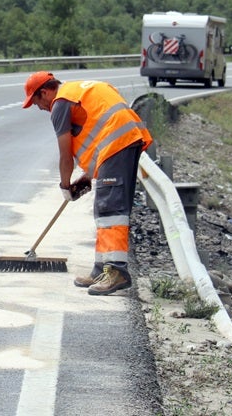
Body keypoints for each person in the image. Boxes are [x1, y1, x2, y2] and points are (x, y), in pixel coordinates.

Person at [21, 71, 153, 296]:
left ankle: (116, 271)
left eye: (36, 102)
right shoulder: (77, 91)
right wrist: (87, 176)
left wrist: (65, 186)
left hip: (118, 145)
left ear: (44, 92)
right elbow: (100, 134)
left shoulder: (60, 104)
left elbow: (65, 156)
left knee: (110, 210)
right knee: (104, 208)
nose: (40, 108)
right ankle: (101, 270)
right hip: (123, 142)